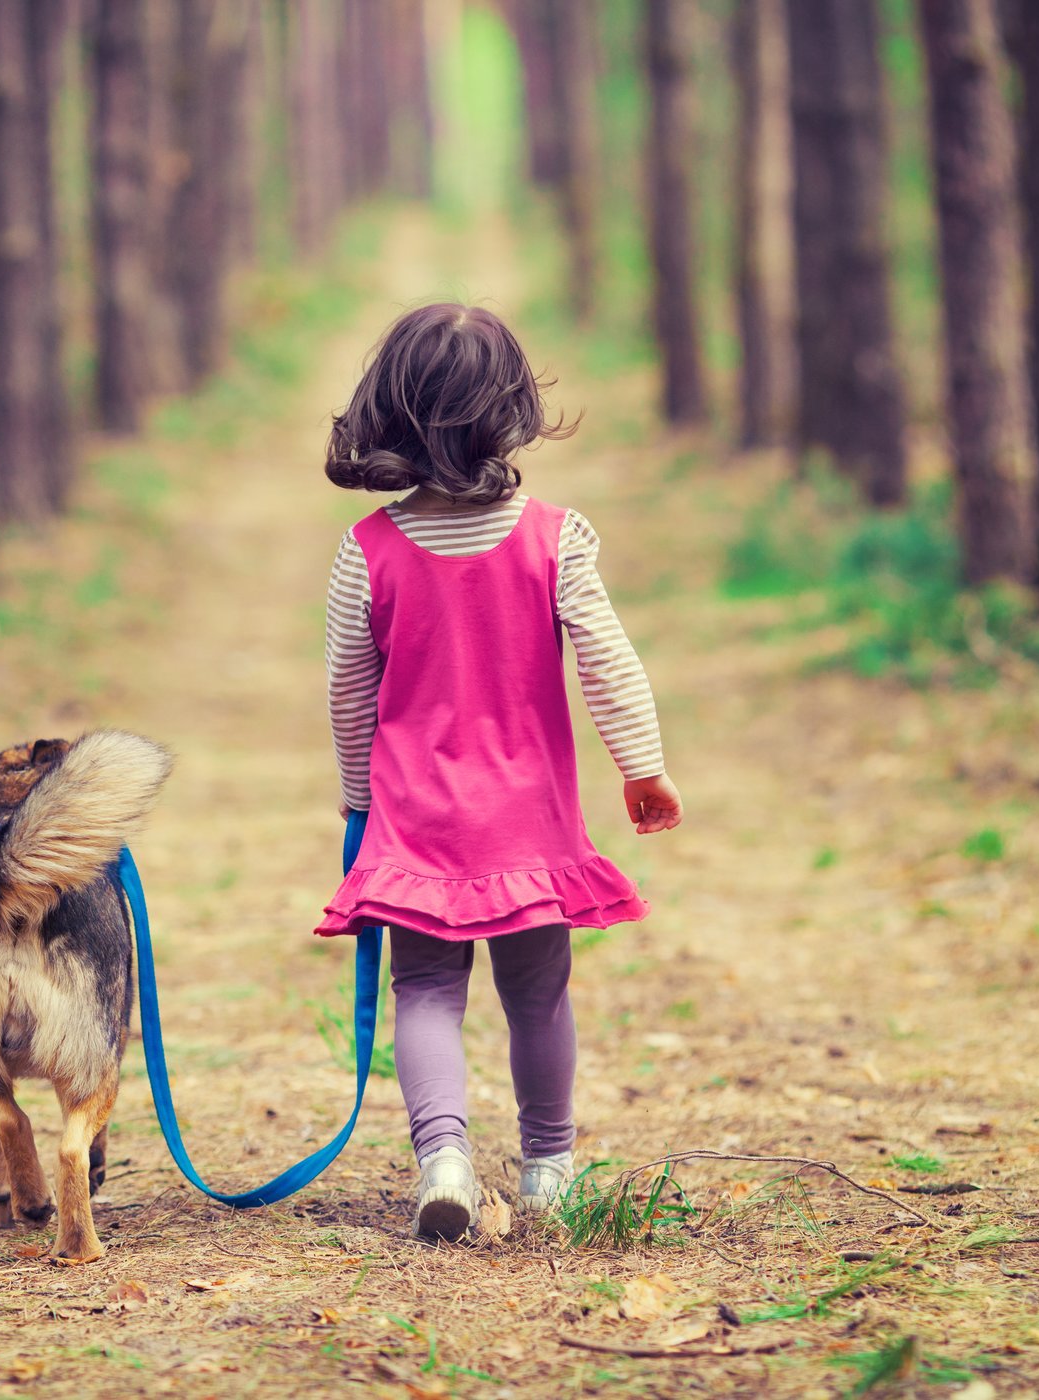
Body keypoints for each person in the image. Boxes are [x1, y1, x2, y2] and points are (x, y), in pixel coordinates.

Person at [315, 303, 683, 1241]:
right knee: (538, 993)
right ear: (510, 410)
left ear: (387, 412)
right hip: (530, 822)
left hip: (418, 822)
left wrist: (360, 800)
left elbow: (349, 693)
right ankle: (549, 1167)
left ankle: (443, 1156)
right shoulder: (557, 539)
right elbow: (608, 658)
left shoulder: (368, 553)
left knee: (426, 991)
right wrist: (641, 766)